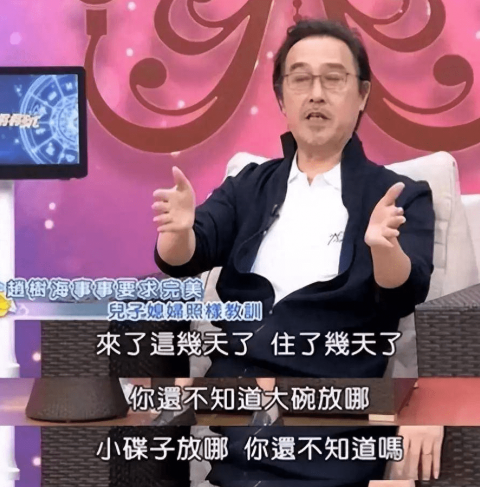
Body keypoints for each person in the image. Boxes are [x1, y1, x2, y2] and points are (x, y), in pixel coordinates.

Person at [152, 18, 442, 483]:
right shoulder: (249, 186)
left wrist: (383, 250)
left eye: (334, 79)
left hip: (329, 435)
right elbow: (184, 254)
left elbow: (405, 291)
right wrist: (178, 231)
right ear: (281, 98)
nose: (316, 94)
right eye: (301, 79)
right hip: (237, 428)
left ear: (362, 95)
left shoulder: (398, 195)